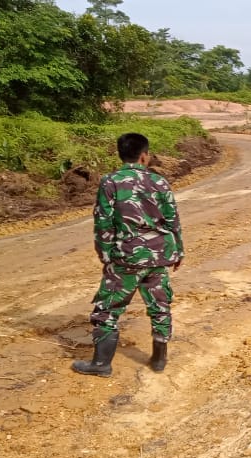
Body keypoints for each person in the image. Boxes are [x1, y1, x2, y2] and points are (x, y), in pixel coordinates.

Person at [72, 132, 184, 377]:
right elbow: (172, 218)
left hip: (126, 257)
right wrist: (178, 251)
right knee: (160, 305)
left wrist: (105, 254)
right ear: (144, 156)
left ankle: (101, 364)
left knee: (107, 309)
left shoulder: (111, 181)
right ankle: (159, 359)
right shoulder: (160, 181)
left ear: (120, 154)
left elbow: (103, 221)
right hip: (158, 255)